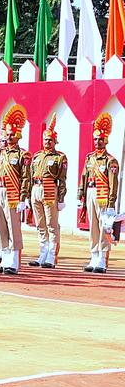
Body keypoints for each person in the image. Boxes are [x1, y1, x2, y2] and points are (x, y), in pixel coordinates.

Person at [0, 107, 30, 275]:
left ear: (18, 135)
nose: (9, 137)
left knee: (13, 226)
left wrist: (23, 198)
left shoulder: (23, 155)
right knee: (0, 224)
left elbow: (25, 177)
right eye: (7, 135)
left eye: (12, 135)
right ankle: (4, 258)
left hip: (13, 193)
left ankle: (15, 261)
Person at [78, 114, 118, 274]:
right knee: (93, 225)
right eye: (95, 139)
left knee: (103, 227)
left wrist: (111, 204)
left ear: (105, 140)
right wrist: (80, 195)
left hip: (103, 194)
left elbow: (113, 184)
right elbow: (83, 177)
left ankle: (102, 257)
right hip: (90, 192)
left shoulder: (110, 161)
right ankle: (93, 255)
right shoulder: (90, 158)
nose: (97, 142)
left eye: (100, 139)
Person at [29, 116, 67, 268]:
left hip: (50, 188)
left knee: (51, 223)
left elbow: (62, 179)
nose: (47, 142)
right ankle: (43, 252)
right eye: (45, 140)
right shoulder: (37, 156)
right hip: (36, 188)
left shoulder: (60, 157)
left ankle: (51, 255)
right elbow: (31, 174)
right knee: (40, 224)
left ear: (54, 141)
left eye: (50, 140)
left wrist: (61, 198)